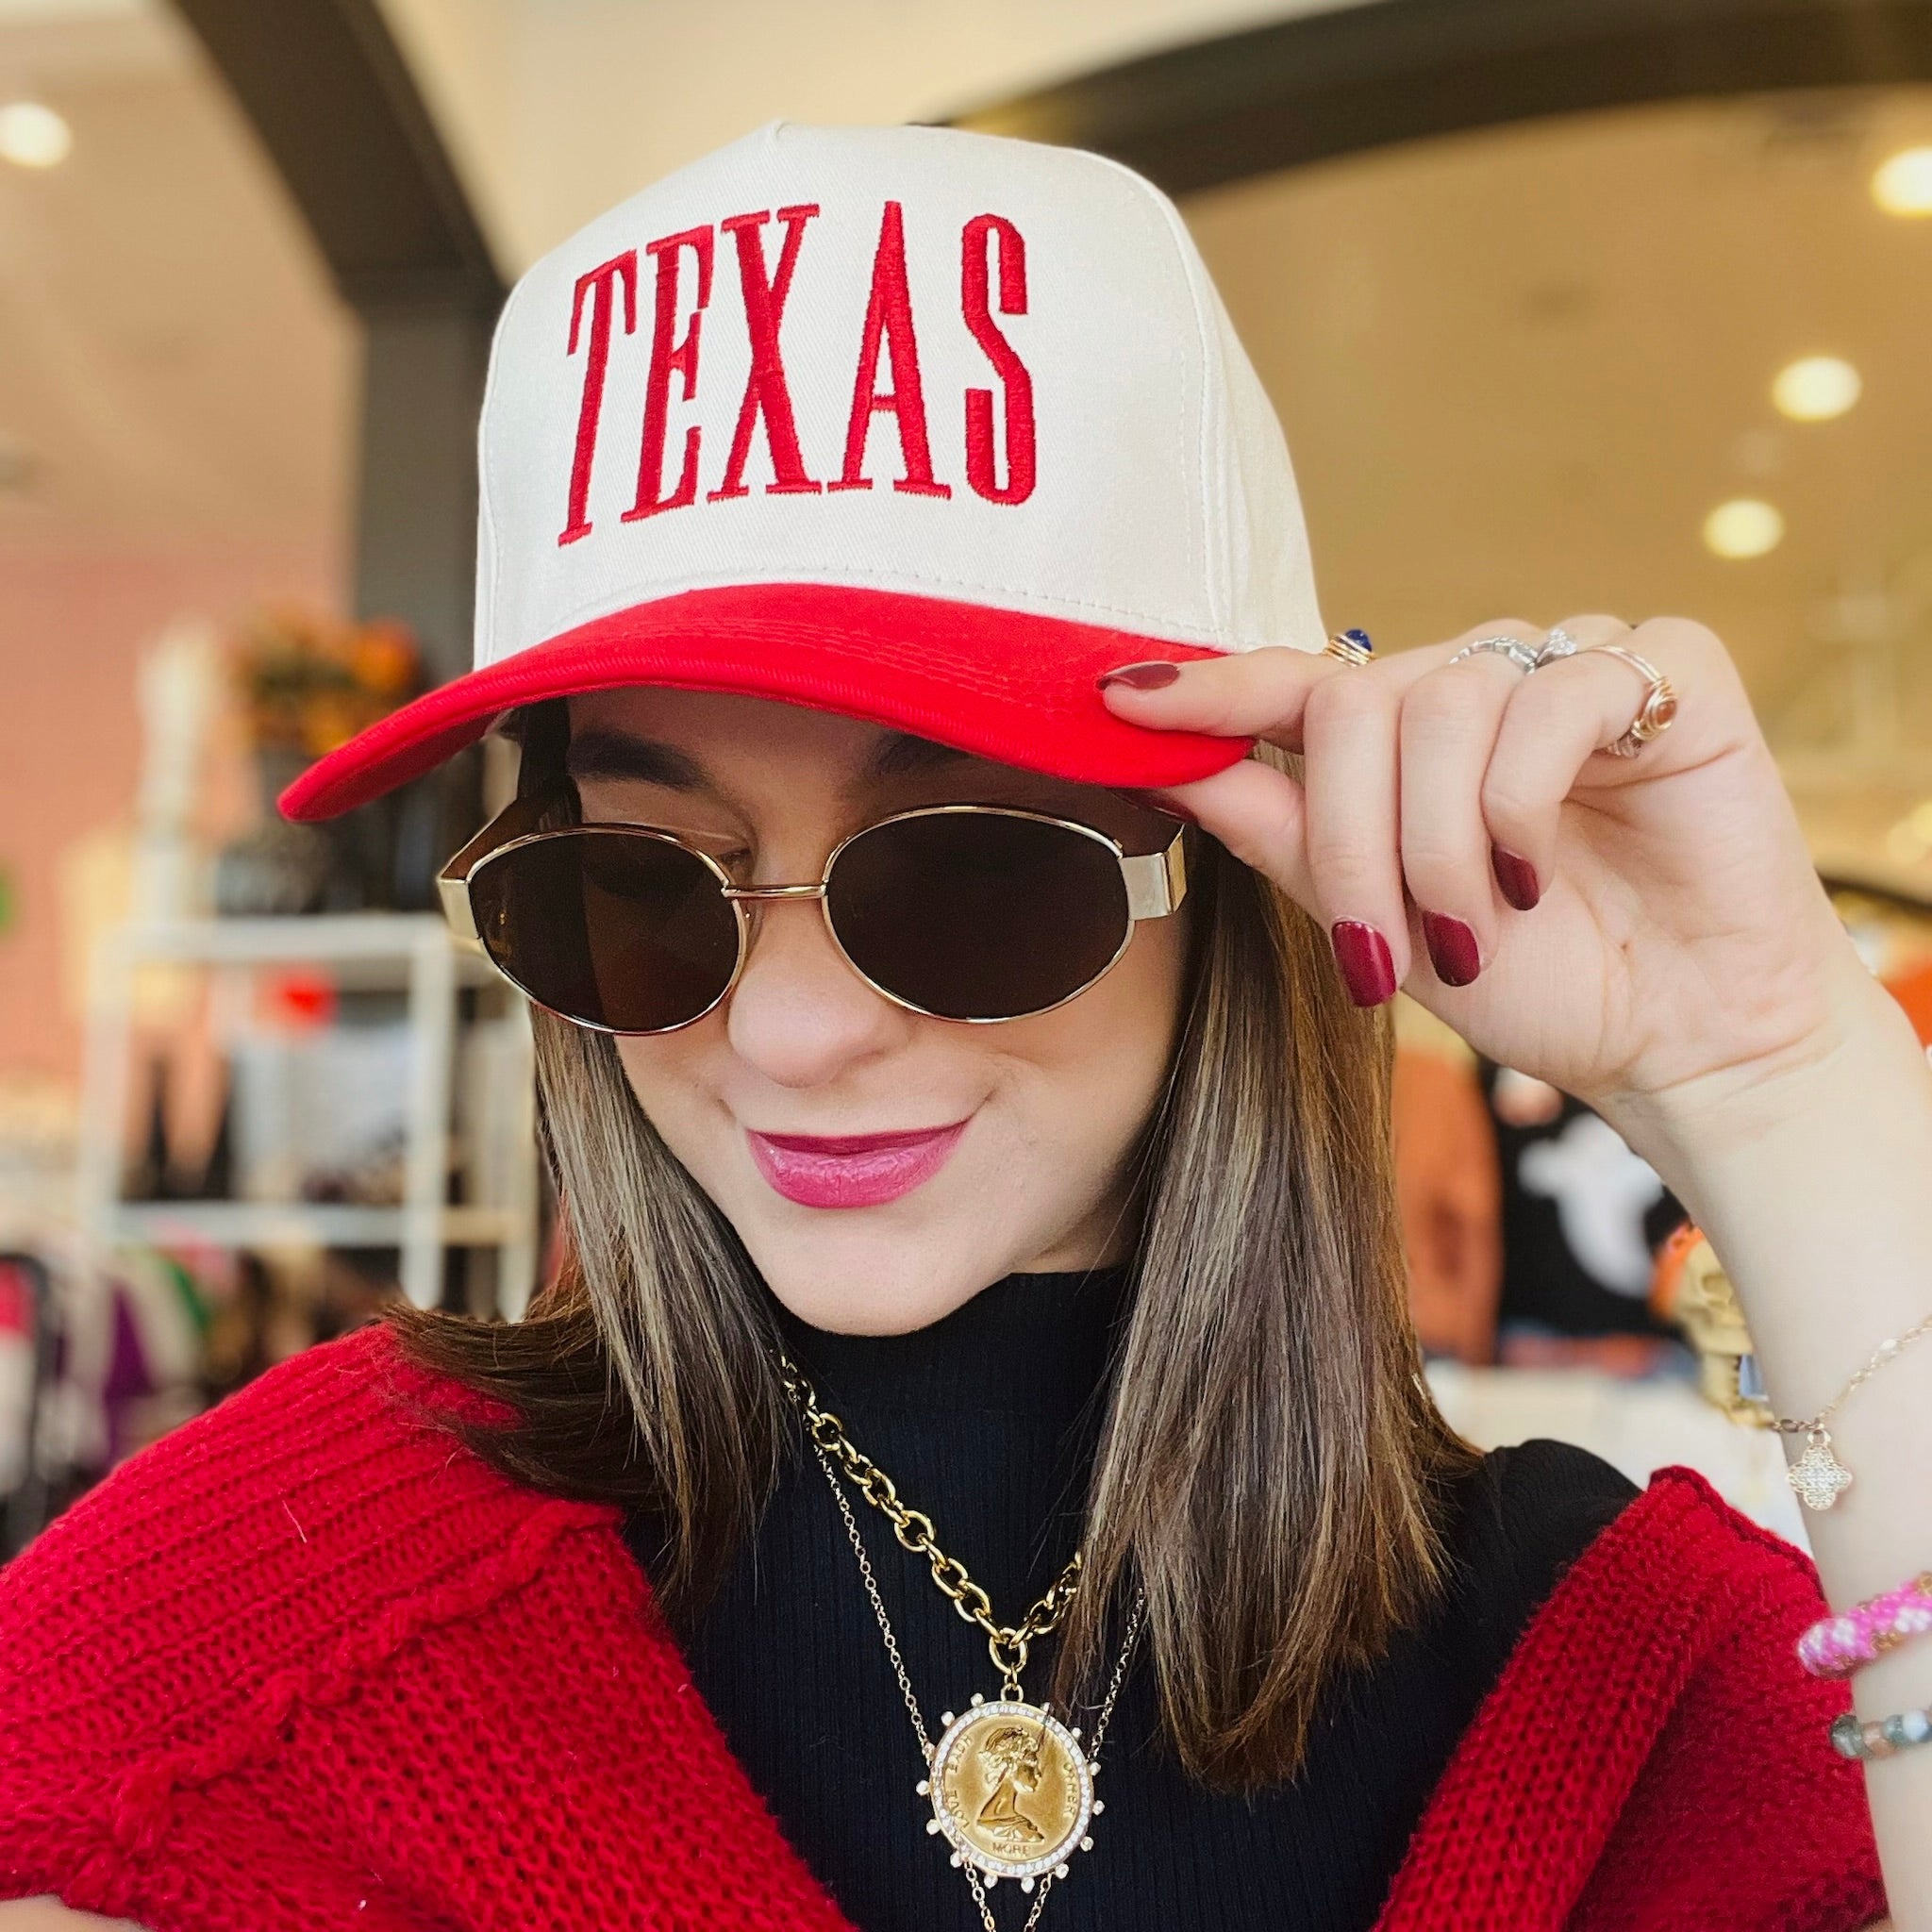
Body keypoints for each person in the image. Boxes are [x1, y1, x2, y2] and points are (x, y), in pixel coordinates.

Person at [0, 121, 1917, 1932]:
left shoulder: (1615, 1679)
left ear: (1237, 860)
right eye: (641, 887)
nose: (798, 1033)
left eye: (969, 875)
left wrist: (1779, 1082)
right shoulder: (303, 1598)